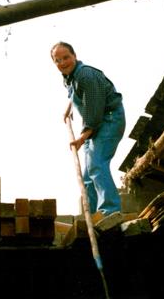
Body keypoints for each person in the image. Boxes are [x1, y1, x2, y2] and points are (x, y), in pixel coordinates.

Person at [51, 42, 125, 216]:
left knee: (97, 165)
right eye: (57, 60)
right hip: (96, 122)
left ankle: (110, 211)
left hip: (109, 119)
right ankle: (91, 216)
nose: (63, 63)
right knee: (88, 177)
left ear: (75, 56)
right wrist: (69, 107)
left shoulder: (86, 75)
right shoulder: (71, 76)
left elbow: (94, 113)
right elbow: (75, 92)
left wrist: (82, 139)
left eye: (66, 57)